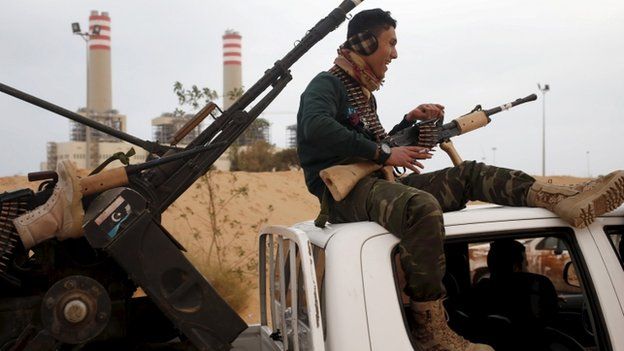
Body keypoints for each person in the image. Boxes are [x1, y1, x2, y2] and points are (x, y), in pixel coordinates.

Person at [296, 8, 624, 351]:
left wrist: (407, 124)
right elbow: (316, 127)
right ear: (365, 42)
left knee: (469, 174)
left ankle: (561, 197)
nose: (395, 53)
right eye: (390, 43)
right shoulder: (328, 84)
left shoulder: (363, 94)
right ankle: (431, 329)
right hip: (342, 196)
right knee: (420, 207)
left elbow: (369, 145)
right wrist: (384, 154)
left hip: (375, 183)